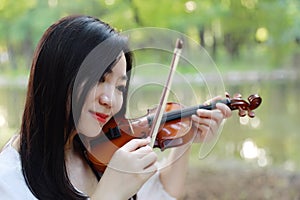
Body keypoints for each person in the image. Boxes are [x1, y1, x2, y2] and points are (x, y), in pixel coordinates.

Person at [0, 15, 231, 200]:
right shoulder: (8, 180)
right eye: (101, 79)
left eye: (120, 87)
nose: (110, 100)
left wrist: (185, 138)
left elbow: (163, 193)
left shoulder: (100, 150)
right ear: (59, 76)